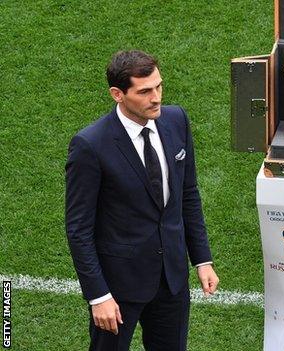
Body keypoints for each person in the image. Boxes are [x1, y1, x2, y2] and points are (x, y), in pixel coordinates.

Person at [65, 50, 219, 351]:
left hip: (172, 279)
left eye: (159, 86)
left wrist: (202, 259)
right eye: (145, 91)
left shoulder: (177, 120)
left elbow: (188, 194)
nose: (156, 97)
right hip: (117, 288)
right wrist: (98, 295)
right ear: (117, 94)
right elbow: (78, 229)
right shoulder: (90, 145)